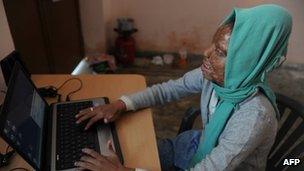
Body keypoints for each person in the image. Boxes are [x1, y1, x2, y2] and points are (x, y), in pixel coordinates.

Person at [74, 4, 292, 171]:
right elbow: (168, 90)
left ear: (249, 61)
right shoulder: (214, 77)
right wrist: (121, 104)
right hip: (200, 145)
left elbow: (210, 168)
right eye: (213, 45)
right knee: (130, 153)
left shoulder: (253, 117)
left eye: (221, 52)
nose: (206, 53)